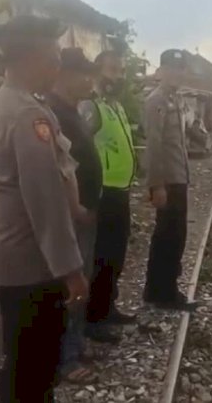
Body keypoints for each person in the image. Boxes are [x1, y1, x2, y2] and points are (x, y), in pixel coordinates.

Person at [0, 15, 88, 402]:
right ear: (30, 59)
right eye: (53, 57)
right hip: (32, 260)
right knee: (35, 365)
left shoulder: (7, 101)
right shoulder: (27, 114)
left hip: (14, 255)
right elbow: (44, 198)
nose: (58, 66)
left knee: (21, 359)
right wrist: (71, 269)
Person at [46, 47, 104, 385]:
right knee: (70, 285)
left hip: (85, 213)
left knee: (82, 282)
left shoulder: (73, 111)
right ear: (65, 75)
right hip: (73, 215)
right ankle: (65, 358)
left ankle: (77, 342)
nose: (89, 80)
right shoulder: (53, 113)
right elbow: (60, 171)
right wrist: (76, 208)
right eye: (84, 74)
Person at [78, 46, 139, 335]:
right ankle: (94, 317)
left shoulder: (116, 106)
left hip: (120, 190)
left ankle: (109, 307)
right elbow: (80, 147)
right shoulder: (91, 107)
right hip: (103, 193)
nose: (119, 76)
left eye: (121, 71)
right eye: (113, 70)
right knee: (101, 256)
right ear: (97, 73)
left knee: (116, 254)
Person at [142, 49, 197, 311]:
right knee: (167, 236)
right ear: (161, 70)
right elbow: (154, 145)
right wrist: (156, 185)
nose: (176, 74)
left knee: (176, 235)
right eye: (171, 69)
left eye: (180, 69)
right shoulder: (157, 102)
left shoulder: (176, 99)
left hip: (179, 177)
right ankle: (161, 292)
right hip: (168, 180)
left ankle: (162, 288)